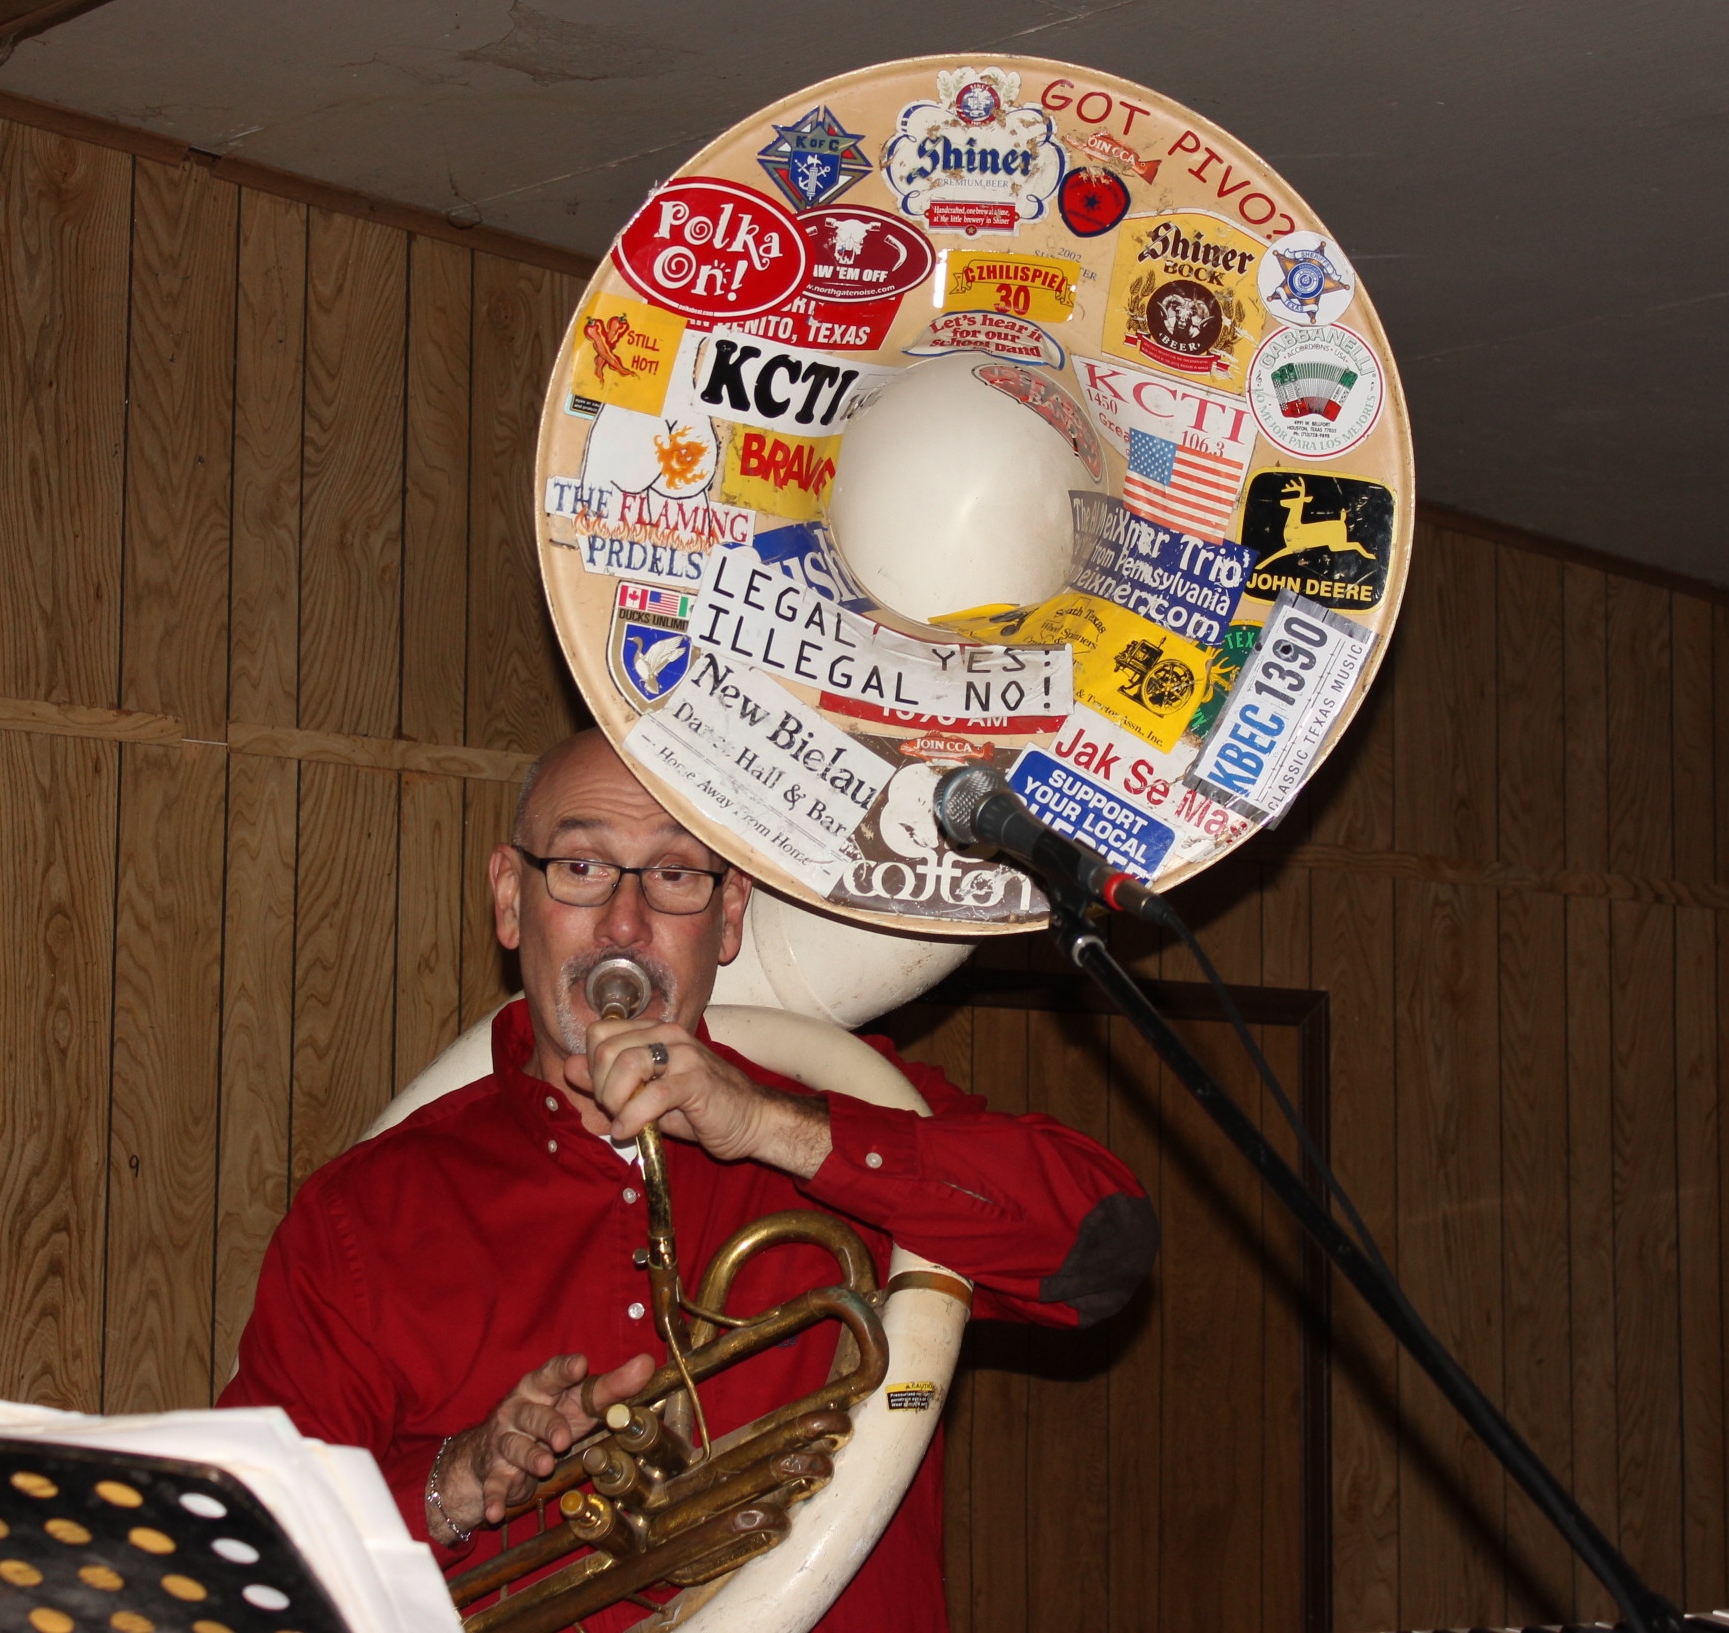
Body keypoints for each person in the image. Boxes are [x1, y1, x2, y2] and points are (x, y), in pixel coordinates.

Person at [222, 729, 1158, 1631]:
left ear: (730, 915)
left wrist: (771, 1126)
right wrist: (456, 1481)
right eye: (582, 868)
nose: (625, 924)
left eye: (675, 876)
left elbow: (1100, 1247)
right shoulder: (364, 1212)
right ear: (510, 899)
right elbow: (239, 1549)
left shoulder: (845, 1110)